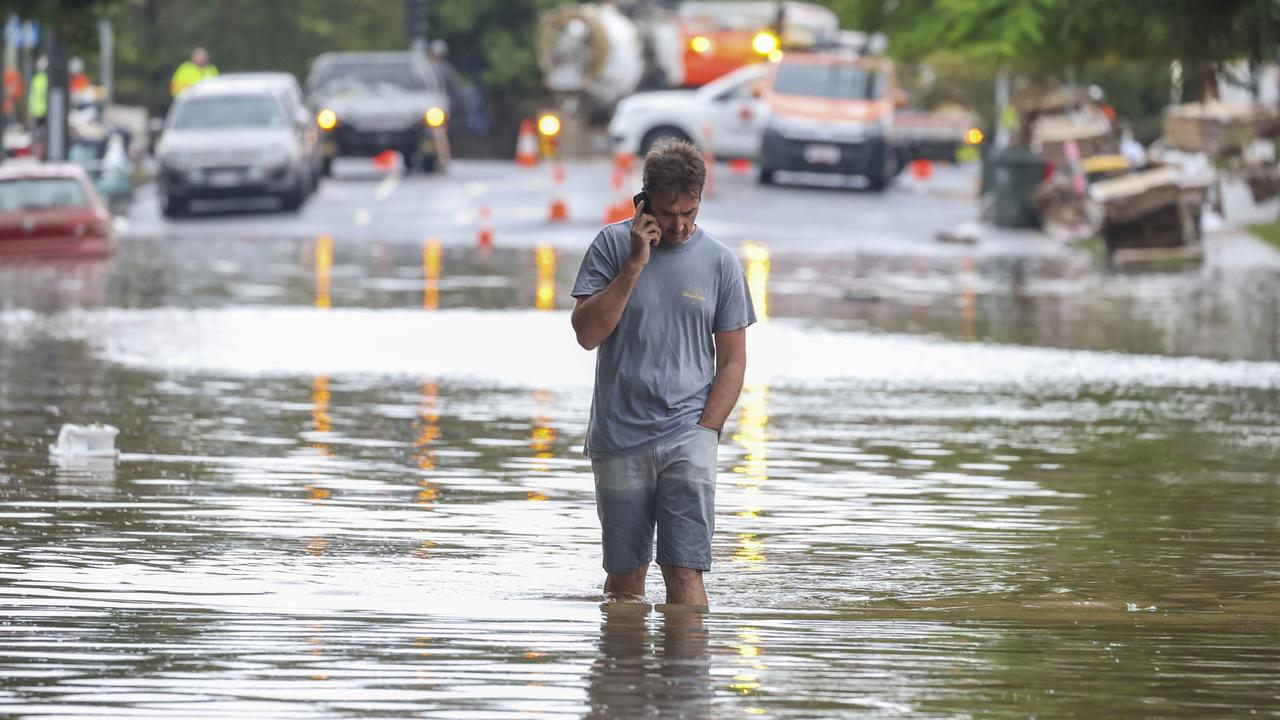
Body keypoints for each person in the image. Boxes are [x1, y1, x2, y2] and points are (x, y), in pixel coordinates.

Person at [570, 139, 755, 606]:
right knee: (626, 579)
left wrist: (706, 429)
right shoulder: (611, 247)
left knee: (686, 570)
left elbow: (733, 360)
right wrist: (634, 264)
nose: (678, 225)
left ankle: (688, 676)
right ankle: (624, 672)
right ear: (645, 202)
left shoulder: (721, 263)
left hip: (689, 434)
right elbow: (588, 334)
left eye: (688, 213)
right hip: (620, 437)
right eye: (668, 212)